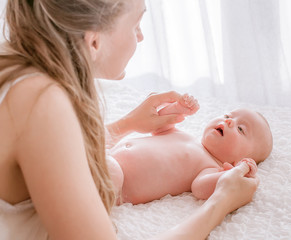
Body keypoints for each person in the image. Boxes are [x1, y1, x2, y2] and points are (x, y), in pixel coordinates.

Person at [0, 0, 260, 239]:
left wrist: (128, 124)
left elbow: (53, 152)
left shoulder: (15, 68)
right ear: (94, 42)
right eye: (136, 25)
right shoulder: (43, 103)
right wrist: (222, 201)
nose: (141, 36)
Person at [107, 94, 272, 205]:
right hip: (108, 155)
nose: (229, 122)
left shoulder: (211, 167)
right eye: (228, 116)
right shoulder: (185, 136)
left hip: (119, 181)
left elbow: (200, 188)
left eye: (241, 129)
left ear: (238, 161)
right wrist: (177, 109)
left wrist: (234, 174)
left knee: (108, 170)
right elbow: (160, 125)